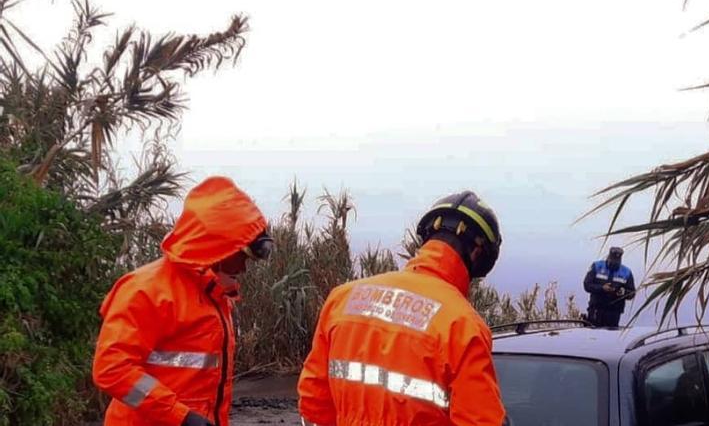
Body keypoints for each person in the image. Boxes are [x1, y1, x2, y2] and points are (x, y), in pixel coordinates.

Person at [298, 191, 506, 425]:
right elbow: (479, 420)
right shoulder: (462, 326)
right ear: (478, 253)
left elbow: (313, 400)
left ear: (427, 237)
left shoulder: (343, 299)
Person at [92, 177, 274, 426]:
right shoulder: (146, 290)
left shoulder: (214, 295)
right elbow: (112, 370)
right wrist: (181, 417)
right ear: (218, 247)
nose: (244, 267)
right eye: (242, 256)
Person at [583, 246, 635, 327]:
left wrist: (623, 292)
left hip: (614, 312)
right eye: (613, 260)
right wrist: (602, 288)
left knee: (610, 337)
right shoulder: (597, 266)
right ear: (608, 257)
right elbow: (587, 285)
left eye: (617, 261)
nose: (614, 263)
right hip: (596, 309)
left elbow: (632, 293)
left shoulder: (626, 272)